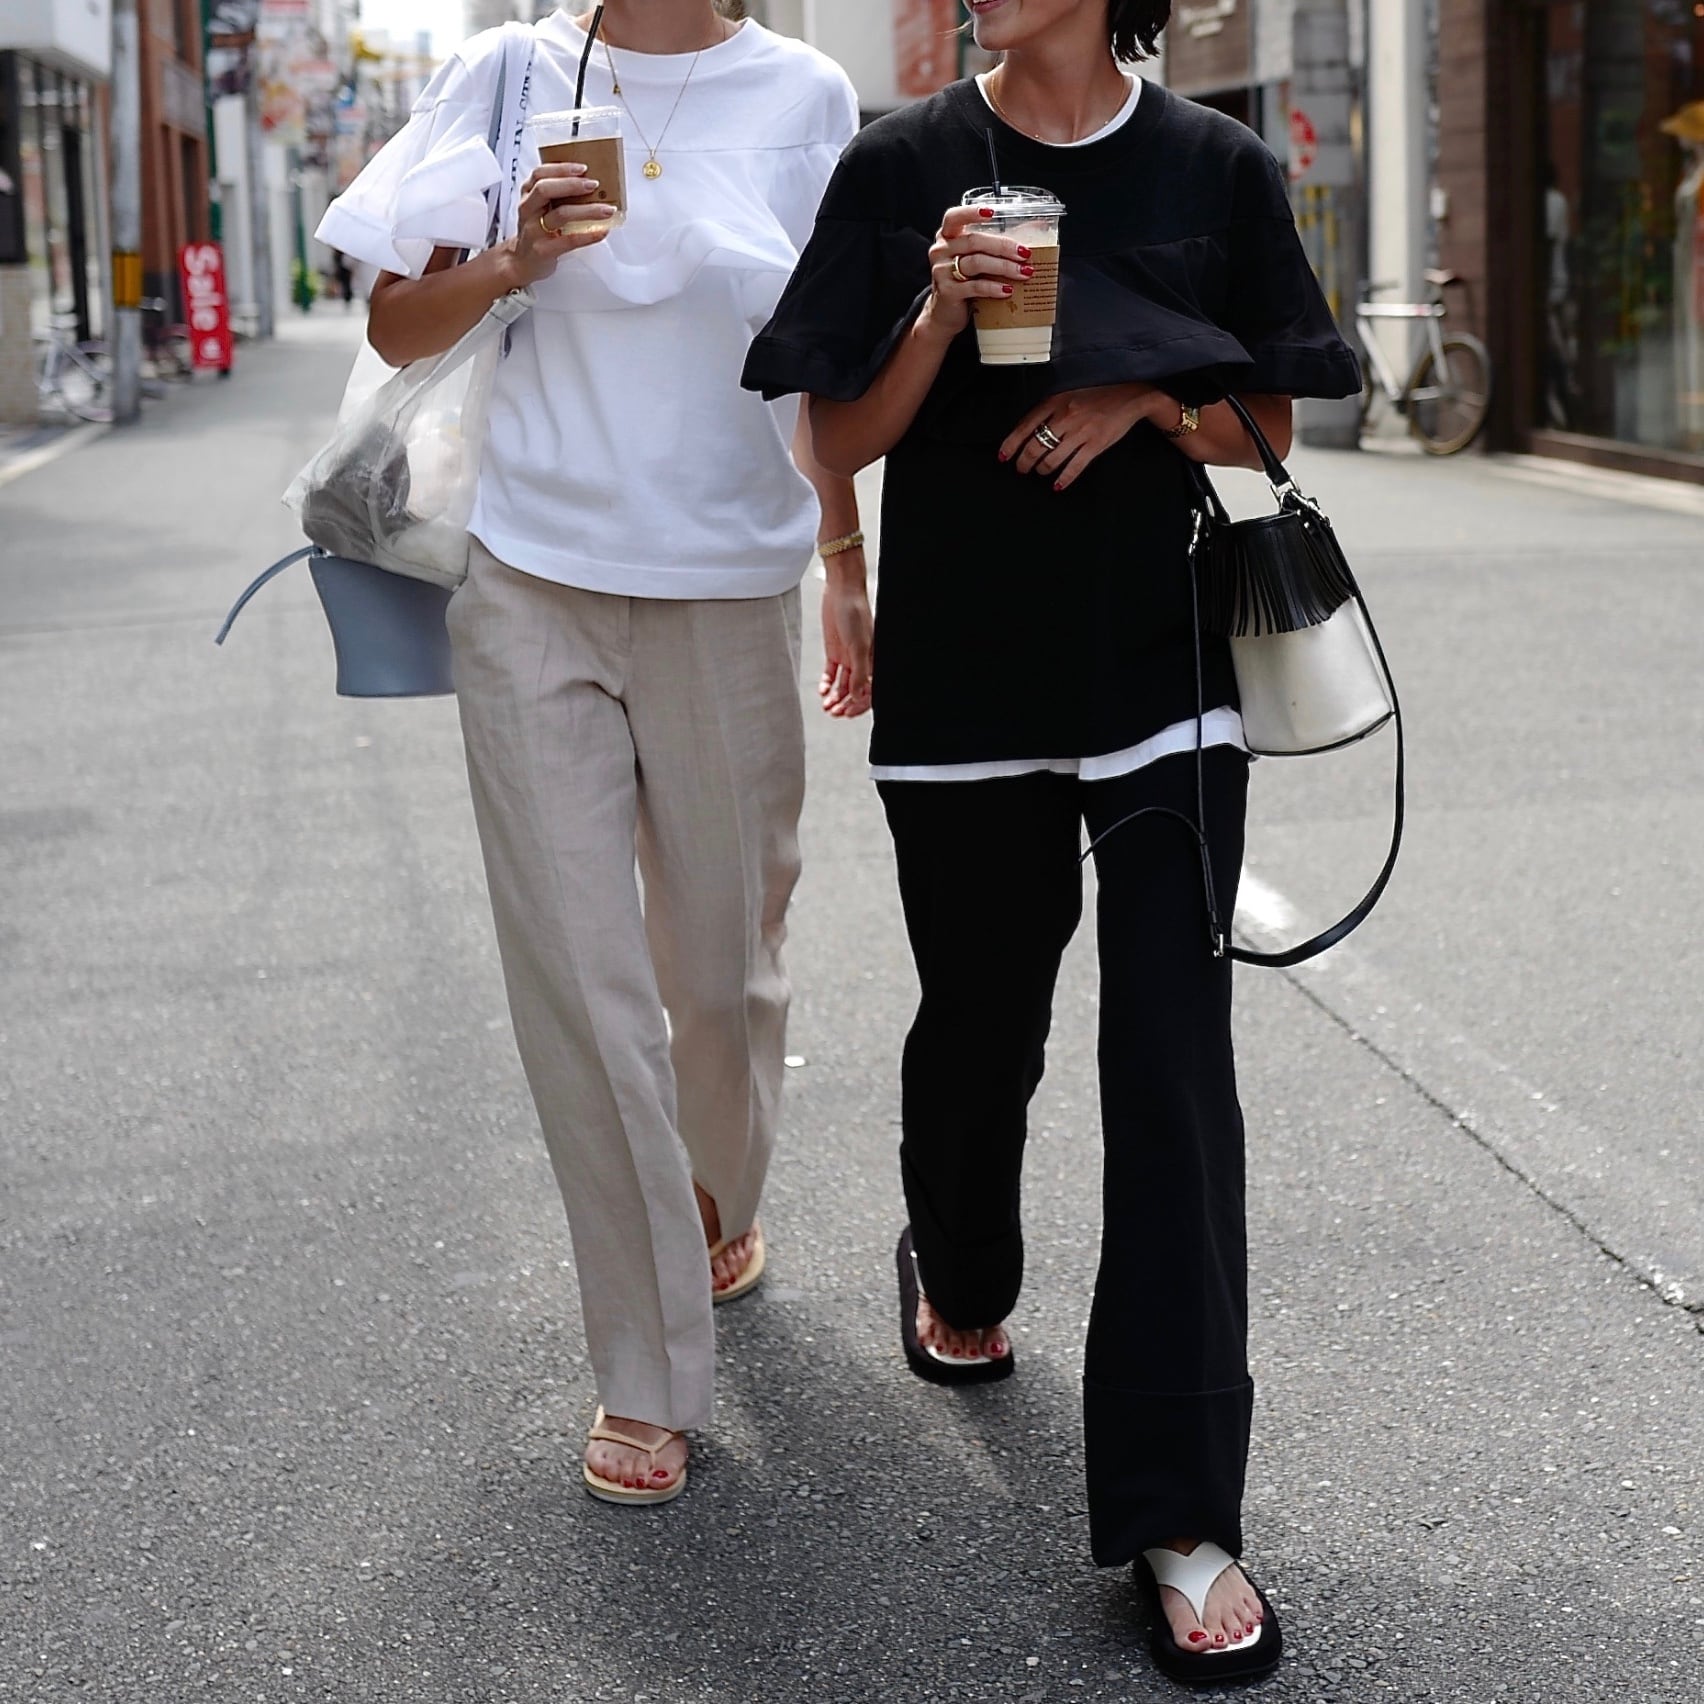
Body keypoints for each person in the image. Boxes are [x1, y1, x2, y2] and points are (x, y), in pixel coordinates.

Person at [745, 0, 1358, 1684]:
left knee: (1168, 1065)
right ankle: (960, 1261)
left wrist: (1145, 399)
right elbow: (840, 434)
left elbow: (1272, 434)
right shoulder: (904, 165)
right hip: (964, 685)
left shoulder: (1211, 167)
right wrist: (937, 313)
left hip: (1162, 674)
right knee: (980, 1031)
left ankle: (1182, 1512)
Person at [315, 0, 870, 1506]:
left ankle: (718, 1190)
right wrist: (516, 263)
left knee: (724, 962)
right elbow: (392, 320)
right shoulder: (505, 72)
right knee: (581, 977)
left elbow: (831, 357)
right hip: (531, 579)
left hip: (729, 587)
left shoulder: (805, 94)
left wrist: (845, 559)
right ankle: (644, 1366)